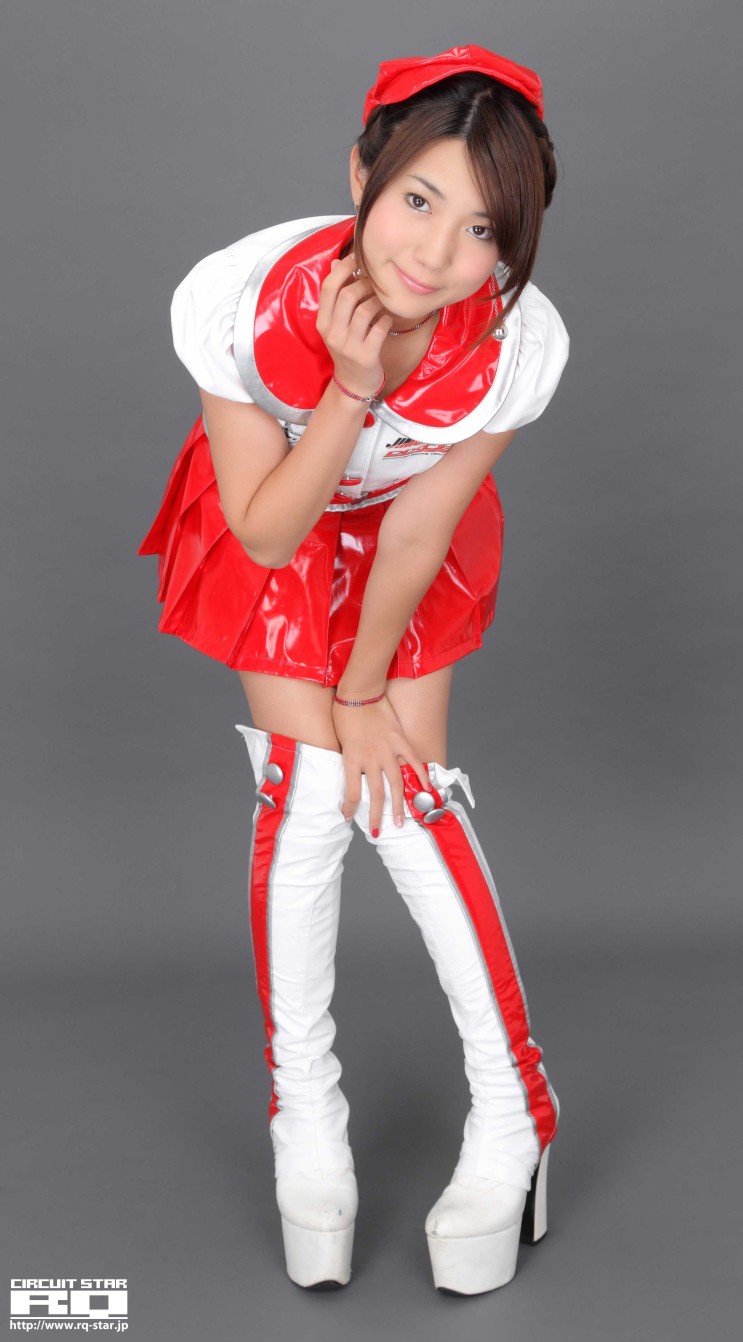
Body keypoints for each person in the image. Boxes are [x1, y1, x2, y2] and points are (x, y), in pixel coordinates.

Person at [138, 44, 569, 1296]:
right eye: (417, 200)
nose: (435, 253)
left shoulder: (513, 345)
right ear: (360, 176)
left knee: (404, 792)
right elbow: (267, 532)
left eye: (481, 228)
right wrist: (348, 387)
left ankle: (515, 1109)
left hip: (399, 548)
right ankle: (306, 1121)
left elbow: (422, 526)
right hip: (282, 503)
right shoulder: (242, 299)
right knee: (309, 789)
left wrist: (366, 685)